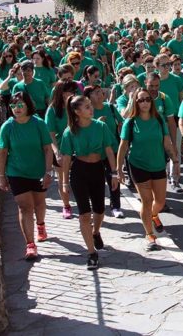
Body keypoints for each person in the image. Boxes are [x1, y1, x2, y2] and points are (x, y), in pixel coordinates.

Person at [117, 89, 180, 251]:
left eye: (147, 99)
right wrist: (118, 169)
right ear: (136, 103)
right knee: (146, 200)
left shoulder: (159, 120)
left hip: (158, 164)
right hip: (138, 165)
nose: (145, 102)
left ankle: (153, 215)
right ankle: (150, 235)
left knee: (159, 201)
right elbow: (123, 147)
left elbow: (167, 142)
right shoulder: (130, 123)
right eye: (141, 100)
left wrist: (175, 160)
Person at [59, 95, 118, 270]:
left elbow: (109, 150)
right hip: (79, 172)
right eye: (86, 107)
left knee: (99, 210)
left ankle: (96, 232)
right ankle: (91, 253)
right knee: (84, 214)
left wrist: (115, 173)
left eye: (90, 105)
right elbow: (67, 157)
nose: (91, 109)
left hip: (97, 170)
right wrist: (64, 182)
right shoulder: (69, 132)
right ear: (77, 112)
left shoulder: (101, 126)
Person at [0, 91, 54, 260]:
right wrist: (2, 176)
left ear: (28, 105)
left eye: (20, 105)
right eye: (13, 106)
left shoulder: (39, 124)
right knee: (24, 207)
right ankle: (30, 244)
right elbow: (3, 152)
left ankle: (41, 225)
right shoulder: (7, 127)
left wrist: (48, 172)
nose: (17, 109)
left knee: (39, 203)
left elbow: (47, 149)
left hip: (37, 170)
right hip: (16, 171)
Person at [84, 85, 125, 218]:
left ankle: (116, 206)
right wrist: (96, 123)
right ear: (88, 97)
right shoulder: (87, 112)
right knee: (95, 181)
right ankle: (96, 206)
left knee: (113, 176)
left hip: (112, 149)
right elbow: (84, 131)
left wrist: (120, 127)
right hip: (94, 152)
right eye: (96, 93)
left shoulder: (110, 107)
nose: (100, 94)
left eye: (100, 92)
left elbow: (121, 122)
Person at [45, 80, 79, 218]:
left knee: (78, 179)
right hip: (61, 148)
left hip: (78, 148)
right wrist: (56, 151)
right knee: (62, 179)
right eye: (70, 91)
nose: (73, 94)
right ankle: (66, 205)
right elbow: (50, 134)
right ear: (62, 93)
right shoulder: (52, 110)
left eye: (74, 91)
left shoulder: (76, 106)